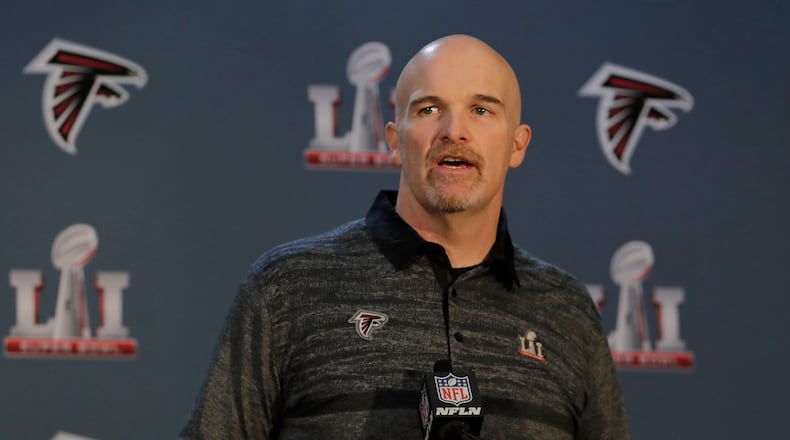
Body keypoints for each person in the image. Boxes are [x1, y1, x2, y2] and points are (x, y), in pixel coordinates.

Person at [182, 34, 629, 439]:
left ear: (517, 144)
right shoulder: (287, 287)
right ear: (394, 139)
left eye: (481, 109)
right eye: (429, 108)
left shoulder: (567, 311)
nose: (454, 131)